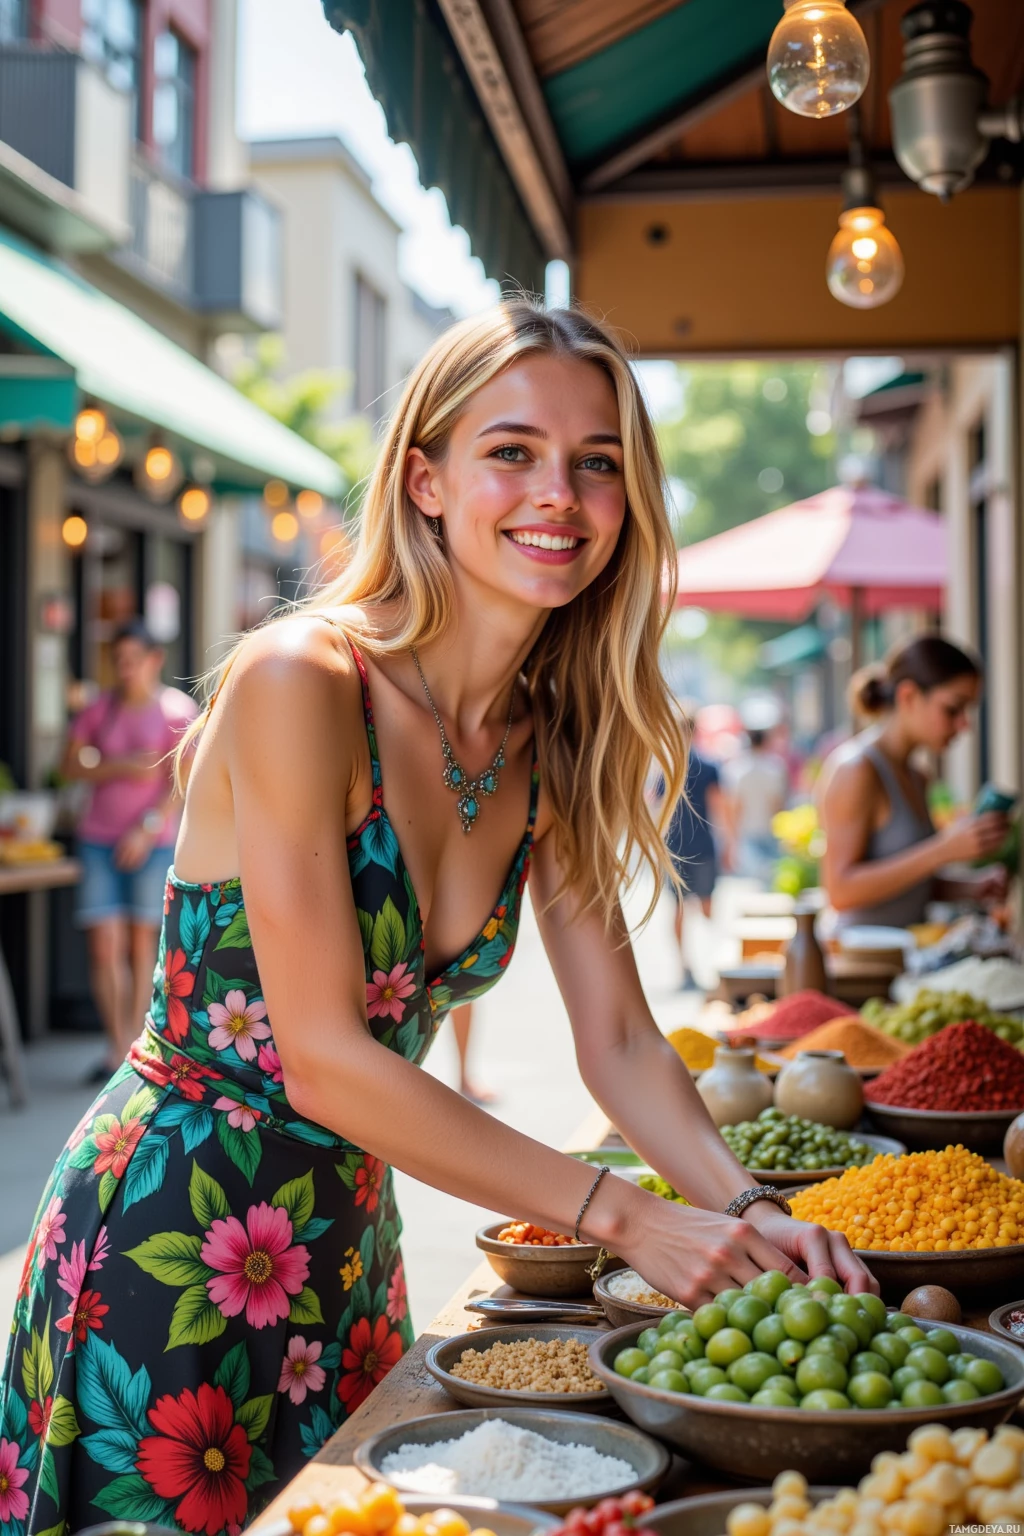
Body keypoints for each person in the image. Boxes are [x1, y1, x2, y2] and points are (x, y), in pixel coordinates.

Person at [5, 302, 874, 1535]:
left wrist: (748, 1214)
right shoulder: (302, 680)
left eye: (597, 461)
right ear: (424, 479)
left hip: (345, 1238)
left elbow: (621, 1041)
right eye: (511, 452)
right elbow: (322, 1055)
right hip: (169, 1230)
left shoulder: (551, 737)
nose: (557, 495)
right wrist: (625, 1215)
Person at [61, 618, 197, 1074]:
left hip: (152, 844)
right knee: (105, 945)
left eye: (133, 660)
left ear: (154, 660)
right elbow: (69, 764)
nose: (125, 669)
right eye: (118, 661)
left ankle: (138, 1045)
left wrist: (148, 827)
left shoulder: (177, 711)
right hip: (99, 840)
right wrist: (117, 766)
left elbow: (183, 781)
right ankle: (115, 1044)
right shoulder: (100, 708)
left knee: (143, 945)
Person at [821, 634, 1009, 929]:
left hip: (903, 960)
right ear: (908, 696)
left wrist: (971, 887)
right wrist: (942, 850)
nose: (964, 724)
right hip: (856, 965)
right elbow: (840, 891)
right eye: (953, 709)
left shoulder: (918, 776)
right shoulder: (856, 769)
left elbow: (909, 884)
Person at [655, 711, 728, 989]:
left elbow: (657, 812)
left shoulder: (667, 768)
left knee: (679, 909)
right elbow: (720, 807)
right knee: (707, 907)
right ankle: (713, 964)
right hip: (703, 846)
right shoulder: (708, 766)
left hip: (674, 848)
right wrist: (729, 844)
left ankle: (686, 966)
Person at [721, 723, 789, 882]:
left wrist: (731, 837)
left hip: (747, 830)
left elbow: (734, 806)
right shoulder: (775, 767)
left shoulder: (737, 769)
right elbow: (778, 803)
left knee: (753, 881)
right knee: (774, 878)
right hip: (771, 829)